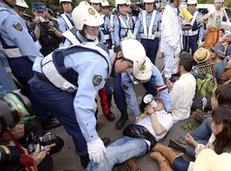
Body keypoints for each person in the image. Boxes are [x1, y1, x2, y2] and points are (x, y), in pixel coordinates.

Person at [28, 2, 146, 168]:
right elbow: (82, 104)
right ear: (119, 55)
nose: (126, 71)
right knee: (77, 117)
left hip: (52, 82)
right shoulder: (99, 65)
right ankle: (88, 156)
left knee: (82, 115)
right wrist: (92, 139)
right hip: (47, 86)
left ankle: (89, 143)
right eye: (127, 66)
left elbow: (88, 91)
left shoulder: (104, 53)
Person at [151, 105, 231, 171]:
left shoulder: (229, 160)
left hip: (213, 166)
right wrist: (196, 145)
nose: (211, 122)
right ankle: (167, 153)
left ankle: (163, 160)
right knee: (183, 164)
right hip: (210, 164)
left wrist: (196, 146)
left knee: (181, 165)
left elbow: (206, 157)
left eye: (214, 121)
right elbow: (207, 152)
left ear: (221, 127)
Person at [86, 97, 173, 171]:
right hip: (129, 135)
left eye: (159, 101)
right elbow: (137, 123)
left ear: (165, 104)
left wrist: (153, 114)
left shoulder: (167, 117)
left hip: (142, 141)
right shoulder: (150, 113)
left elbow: (158, 131)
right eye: (155, 100)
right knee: (98, 155)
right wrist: (143, 115)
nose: (155, 102)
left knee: (108, 156)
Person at [121, 53, 171, 120]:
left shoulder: (153, 70)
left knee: (153, 90)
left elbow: (162, 89)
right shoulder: (125, 76)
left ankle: (144, 105)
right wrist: (137, 115)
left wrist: (168, 110)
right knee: (119, 93)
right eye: (140, 81)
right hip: (125, 70)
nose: (141, 83)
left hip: (144, 74)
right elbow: (131, 97)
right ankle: (124, 114)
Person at [166, 52, 196, 123]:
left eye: (177, 64)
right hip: (186, 111)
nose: (176, 65)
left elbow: (169, 104)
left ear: (181, 68)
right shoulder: (192, 78)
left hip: (177, 114)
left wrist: (170, 89)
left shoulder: (179, 84)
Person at [160, 0, 182, 81]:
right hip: (170, 43)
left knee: (174, 60)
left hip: (174, 41)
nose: (181, 2)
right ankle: (168, 78)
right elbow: (167, 33)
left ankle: (173, 73)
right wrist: (173, 44)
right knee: (168, 61)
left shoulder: (174, 10)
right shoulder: (167, 12)